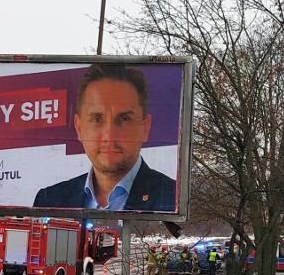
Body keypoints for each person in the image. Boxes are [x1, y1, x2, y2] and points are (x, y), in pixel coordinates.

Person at [33, 64, 177, 211]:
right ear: (79, 128)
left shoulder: (173, 198)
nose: (109, 135)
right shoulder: (49, 200)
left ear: (145, 128)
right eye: (97, 118)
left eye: (124, 119)